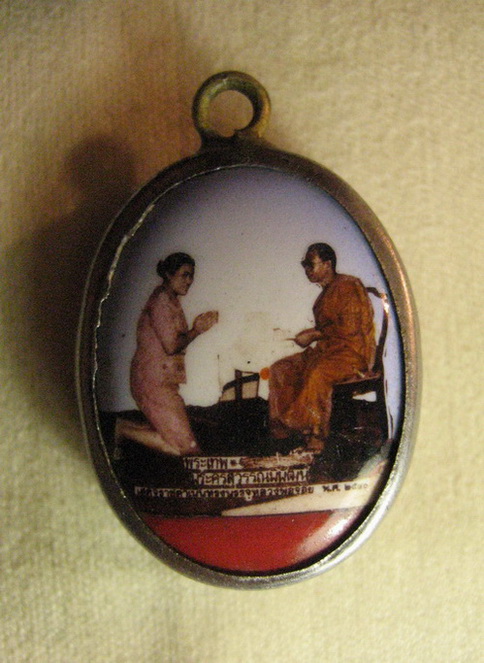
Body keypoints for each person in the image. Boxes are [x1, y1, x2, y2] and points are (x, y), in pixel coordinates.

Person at [269, 243, 376, 452]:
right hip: (327, 351)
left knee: (317, 373)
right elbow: (326, 331)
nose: (307, 270)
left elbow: (350, 329)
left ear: (327, 264)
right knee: (281, 368)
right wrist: (313, 336)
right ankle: (287, 434)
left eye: (311, 264)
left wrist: (314, 335)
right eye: (304, 265)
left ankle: (316, 435)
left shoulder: (348, 285)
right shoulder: (322, 297)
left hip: (352, 354)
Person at [129, 252, 218, 455]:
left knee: (181, 444)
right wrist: (197, 329)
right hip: (152, 382)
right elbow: (172, 346)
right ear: (169, 274)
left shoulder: (171, 300)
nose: (189, 281)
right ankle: (122, 430)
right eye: (184, 275)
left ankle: (123, 429)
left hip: (162, 381)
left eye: (191, 276)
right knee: (187, 449)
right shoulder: (161, 300)